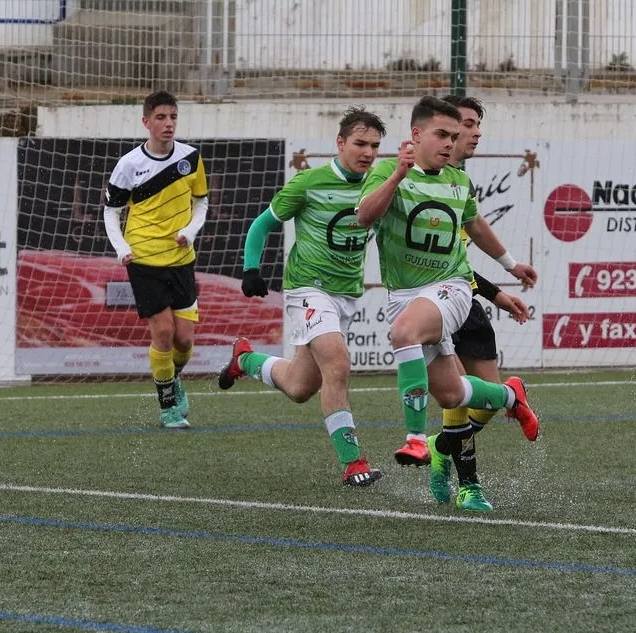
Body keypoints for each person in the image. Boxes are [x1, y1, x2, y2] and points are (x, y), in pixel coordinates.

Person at [355, 95, 539, 511]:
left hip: (453, 288)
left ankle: (418, 441)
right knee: (452, 395)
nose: (453, 142)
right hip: (406, 295)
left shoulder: (458, 181)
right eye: (445, 134)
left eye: (457, 135)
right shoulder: (388, 171)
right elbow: (365, 217)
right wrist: (397, 175)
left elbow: (474, 224)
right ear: (416, 135)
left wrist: (511, 266)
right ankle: (510, 397)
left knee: (403, 333)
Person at [218, 106, 387, 487]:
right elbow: (262, 225)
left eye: (375, 146)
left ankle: (244, 360)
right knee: (337, 364)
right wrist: (251, 268)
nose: (368, 152)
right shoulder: (309, 182)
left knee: (299, 387)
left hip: (346, 295)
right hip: (308, 288)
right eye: (360, 143)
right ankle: (353, 463)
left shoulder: (378, 186)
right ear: (340, 143)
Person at [422, 94, 538, 509]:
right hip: (430, 302)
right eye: (468, 125)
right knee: (457, 393)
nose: (475, 133)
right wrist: (499, 291)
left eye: (475, 125)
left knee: (483, 398)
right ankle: (470, 487)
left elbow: (464, 248)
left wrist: (503, 280)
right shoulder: (420, 180)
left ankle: (441, 446)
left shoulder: (460, 183)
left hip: (463, 296)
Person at [103, 90, 208, 430]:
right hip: (144, 259)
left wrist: (190, 231)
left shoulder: (191, 158)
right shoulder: (129, 164)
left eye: (173, 117)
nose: (168, 123)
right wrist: (121, 246)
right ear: (146, 122)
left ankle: (172, 381)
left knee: (184, 341)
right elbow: (111, 211)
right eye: (161, 117)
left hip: (181, 259)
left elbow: (201, 202)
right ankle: (168, 408)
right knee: (163, 332)